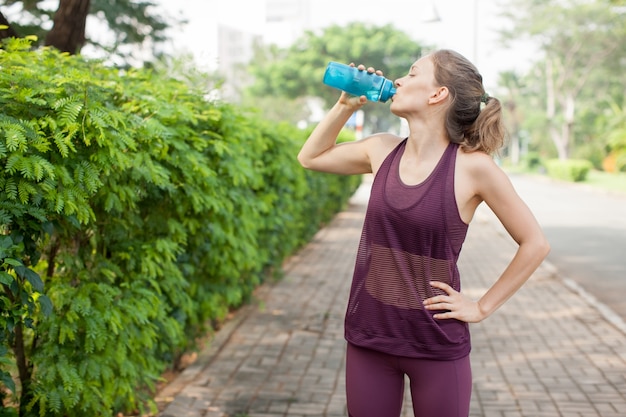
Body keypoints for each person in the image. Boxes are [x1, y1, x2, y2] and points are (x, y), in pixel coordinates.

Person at [297, 49, 550, 417]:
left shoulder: (473, 168)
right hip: (370, 336)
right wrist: (345, 106)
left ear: (438, 94)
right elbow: (311, 158)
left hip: (435, 343)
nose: (398, 80)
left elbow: (535, 243)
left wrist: (480, 307)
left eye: (412, 74)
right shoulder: (381, 149)